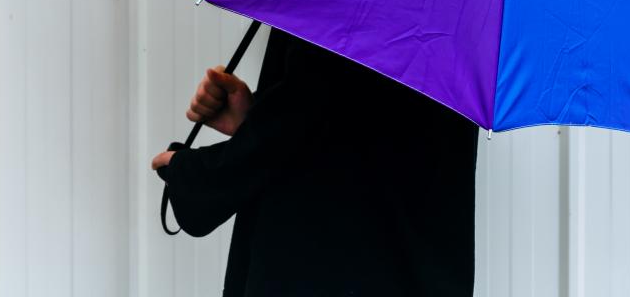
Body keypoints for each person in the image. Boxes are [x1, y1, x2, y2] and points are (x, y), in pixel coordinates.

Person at [151, 27, 479, 296]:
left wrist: (198, 176)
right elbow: (355, 111)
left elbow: (307, 102)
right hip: (415, 263)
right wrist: (254, 118)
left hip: (325, 260)